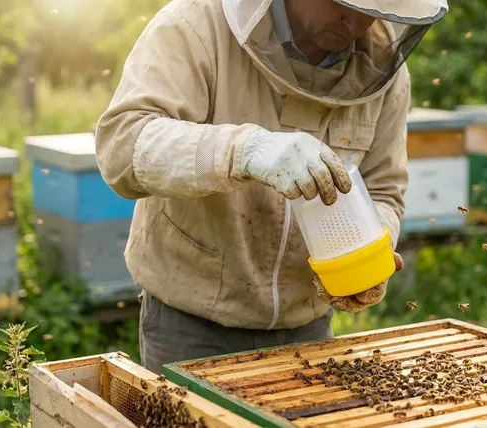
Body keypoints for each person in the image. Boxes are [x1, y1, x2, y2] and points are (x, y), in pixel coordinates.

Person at [94, 0, 448, 374]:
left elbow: (384, 190)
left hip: (309, 328)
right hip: (192, 326)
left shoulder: (384, 69)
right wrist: (244, 151)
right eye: (342, 2)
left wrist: (370, 252)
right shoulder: (195, 25)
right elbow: (123, 146)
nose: (357, 22)